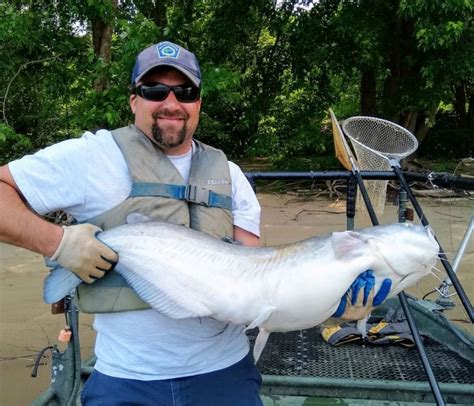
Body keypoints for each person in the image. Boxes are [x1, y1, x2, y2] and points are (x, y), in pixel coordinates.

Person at [0, 41, 389, 405]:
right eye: (155, 90)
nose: (171, 103)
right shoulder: (92, 157)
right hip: (125, 380)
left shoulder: (232, 176)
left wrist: (330, 305)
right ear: (134, 100)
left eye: (185, 92)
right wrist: (58, 244)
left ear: (198, 102)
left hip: (225, 377)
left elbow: (260, 287)